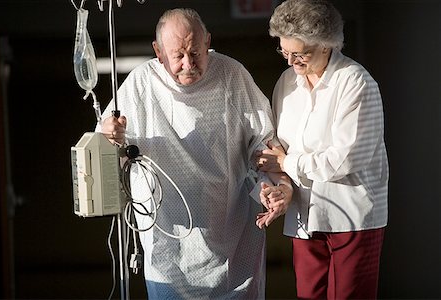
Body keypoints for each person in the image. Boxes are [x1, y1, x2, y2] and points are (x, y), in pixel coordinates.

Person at [99, 8, 292, 299]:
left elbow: (263, 142)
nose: (188, 64)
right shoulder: (141, 83)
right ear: (158, 52)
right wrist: (111, 135)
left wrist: (277, 186)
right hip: (167, 239)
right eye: (178, 55)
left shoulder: (231, 74)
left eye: (196, 52)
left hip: (230, 227)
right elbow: (104, 146)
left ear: (208, 42)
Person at [256, 0, 389, 299]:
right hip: (304, 216)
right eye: (284, 51)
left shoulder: (356, 82)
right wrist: (280, 184)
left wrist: (287, 163)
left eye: (300, 54)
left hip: (352, 218)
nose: (291, 62)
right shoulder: (287, 82)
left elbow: (345, 158)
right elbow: (277, 146)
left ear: (327, 44)